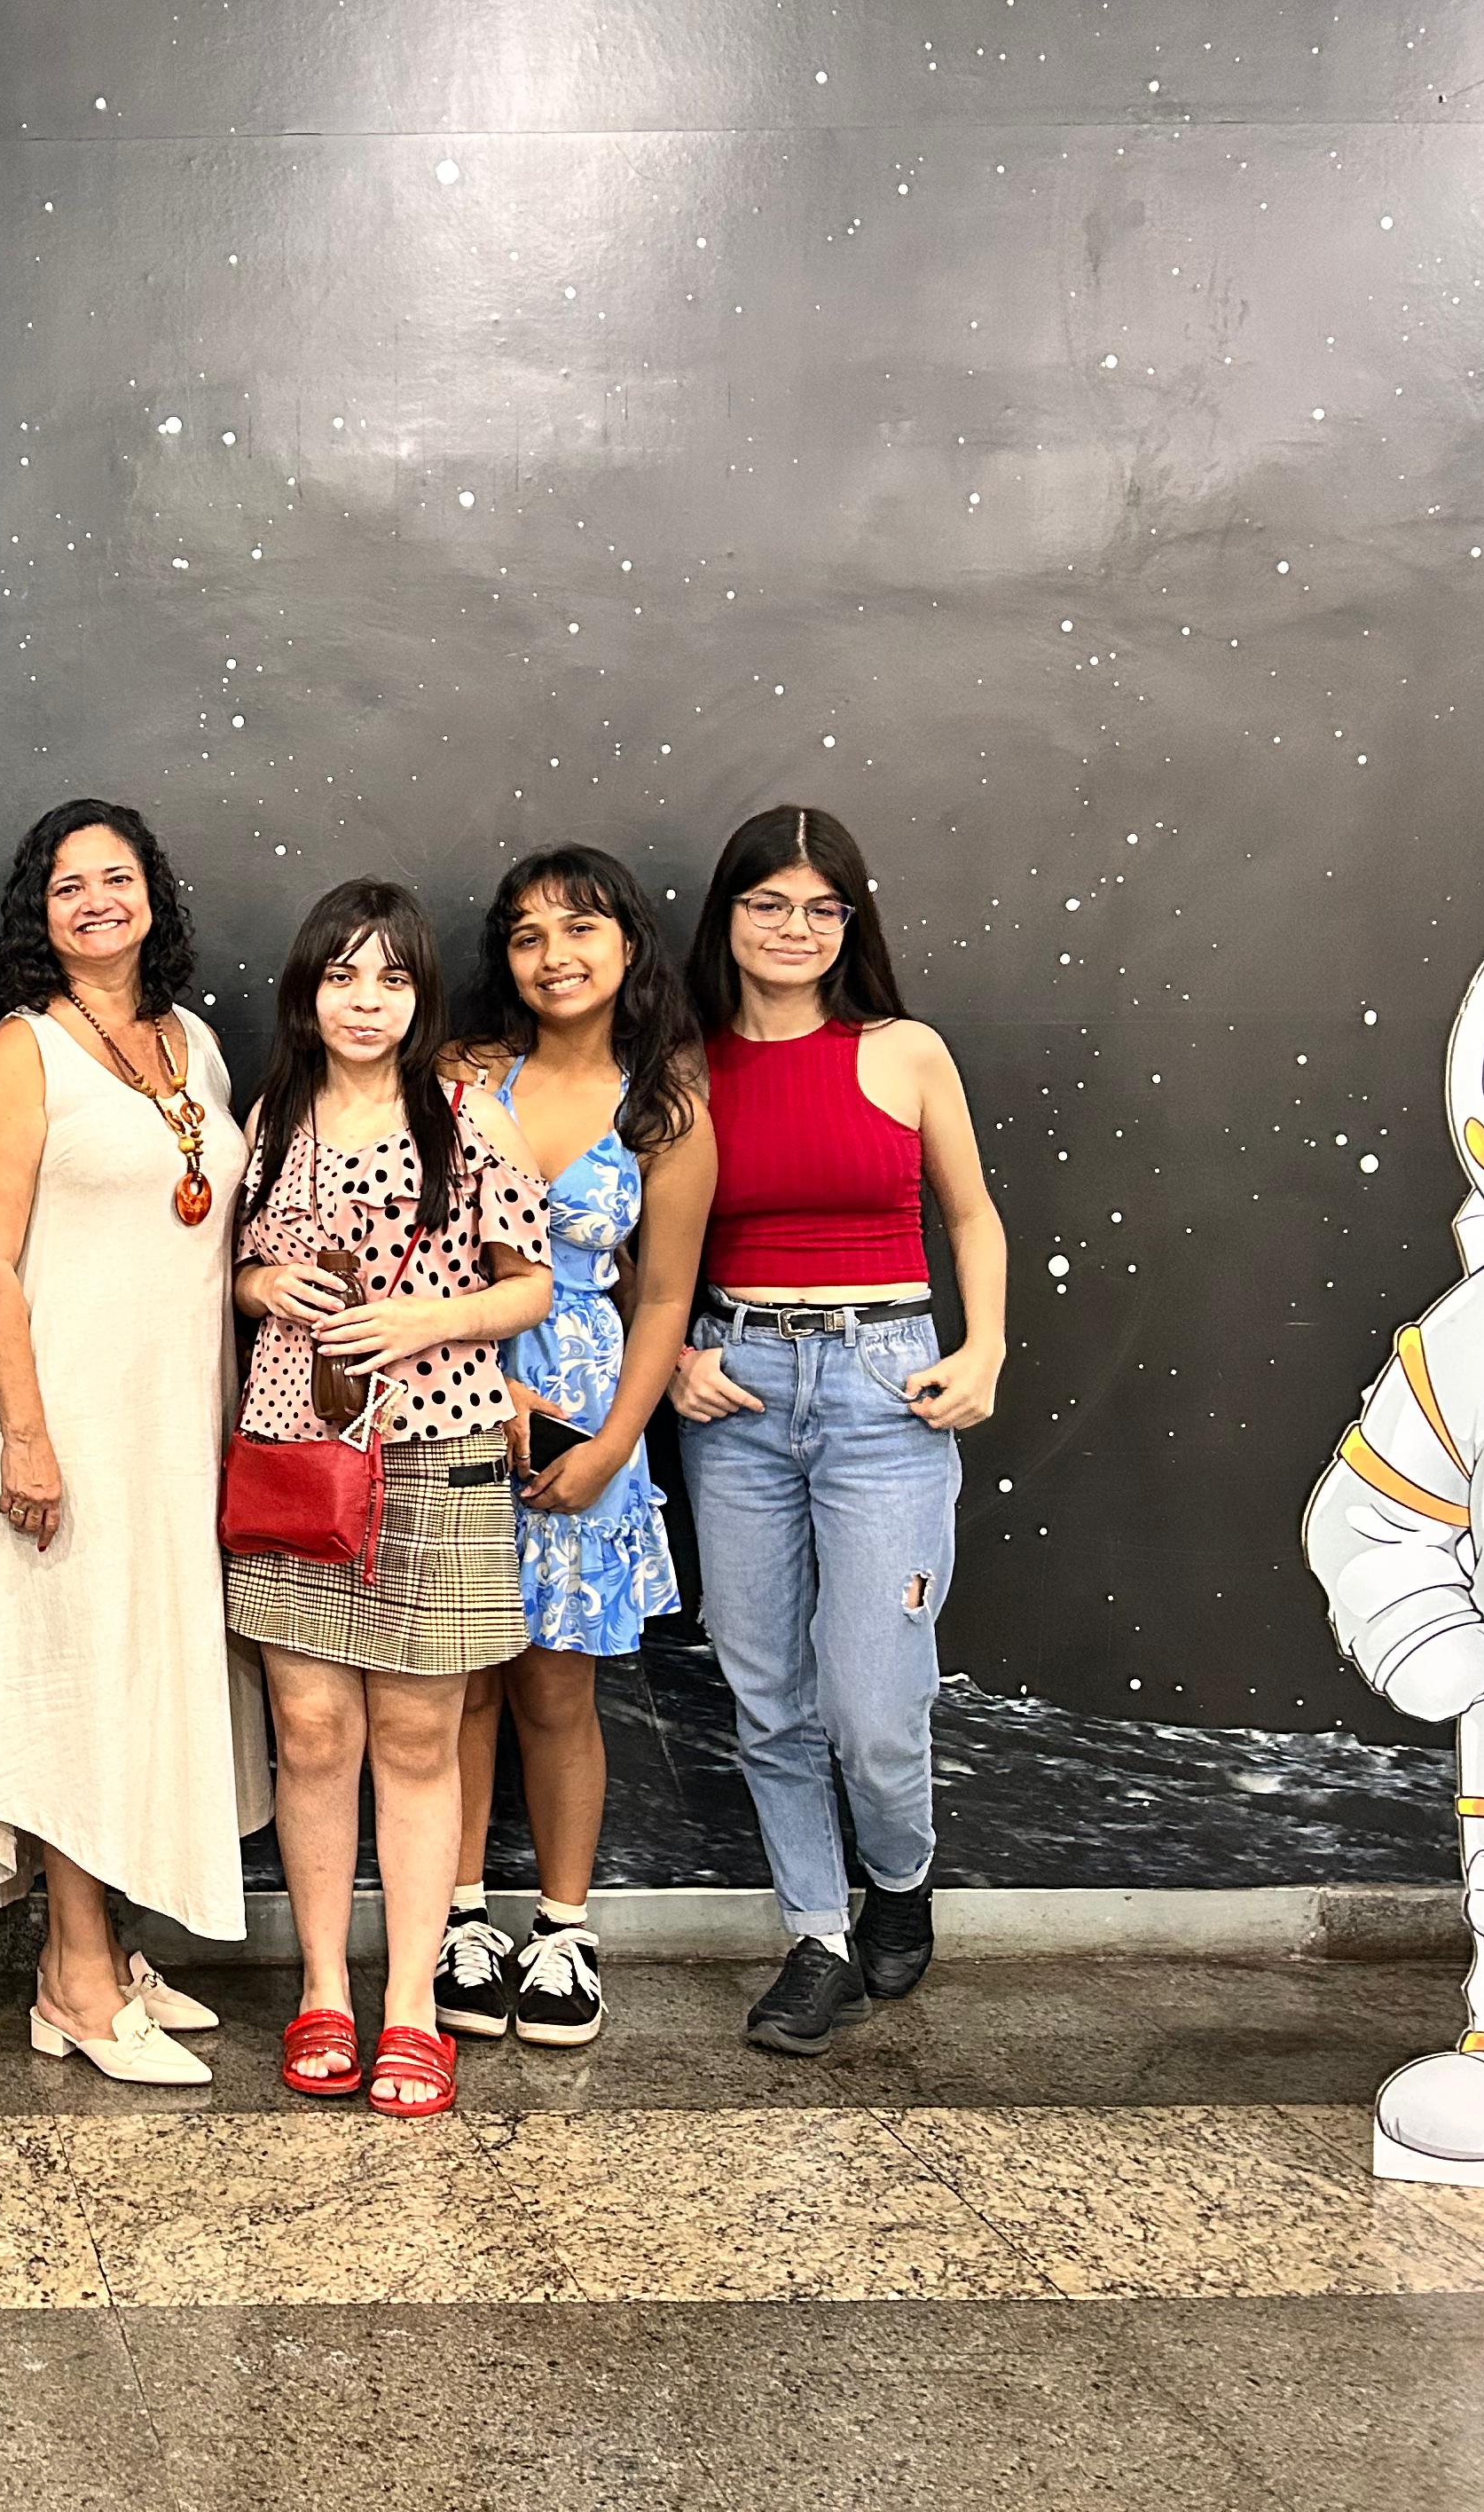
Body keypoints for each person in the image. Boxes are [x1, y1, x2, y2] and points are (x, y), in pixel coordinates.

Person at [670, 806, 1006, 2057]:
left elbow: (972, 1215)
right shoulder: (684, 1067)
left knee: (875, 1702)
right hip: (741, 1389)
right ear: (730, 916)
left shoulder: (906, 1051)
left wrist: (986, 1346)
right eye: (770, 904)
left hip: (885, 1388)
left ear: (851, 924)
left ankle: (900, 1877)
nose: (795, 929)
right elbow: (631, 1239)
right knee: (767, 1695)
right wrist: (678, 1359)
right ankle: (816, 1939)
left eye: (822, 908)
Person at [0, 801, 271, 2085]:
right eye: (68, 884)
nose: (95, 900)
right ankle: (74, 1978)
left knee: (145, 1673)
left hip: (181, 1420)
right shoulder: (22, 1052)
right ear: (39, 912)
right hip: (71, 1419)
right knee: (77, 1678)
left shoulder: (194, 1043)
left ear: (152, 894)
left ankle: (106, 1948)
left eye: (116, 877)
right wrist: (27, 1436)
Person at [228, 880, 551, 2120]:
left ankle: (410, 2006)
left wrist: (428, 1319)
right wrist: (266, 1289)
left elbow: (530, 1287)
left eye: (392, 979)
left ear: (422, 995)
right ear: (308, 990)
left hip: (436, 1448)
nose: (365, 1002)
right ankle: (322, 1987)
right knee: (312, 1731)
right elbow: (236, 1272)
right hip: (293, 1450)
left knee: (418, 1737)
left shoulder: (470, 1116)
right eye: (342, 976)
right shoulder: (272, 1117)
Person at [430, 848, 712, 2051]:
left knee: (557, 1685)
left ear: (629, 945)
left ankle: (562, 1929)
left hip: (588, 1417)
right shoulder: (461, 1075)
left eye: (581, 928)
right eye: (528, 935)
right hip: (450, 1395)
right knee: (455, 1680)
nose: (555, 955)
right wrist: (471, 1376)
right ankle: (455, 1919)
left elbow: (666, 1299)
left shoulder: (666, 1108)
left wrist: (611, 1447)